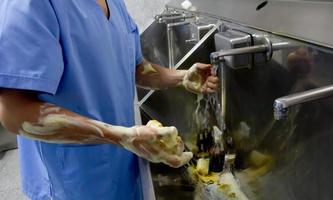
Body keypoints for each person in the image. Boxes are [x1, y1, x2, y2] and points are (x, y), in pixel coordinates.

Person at [0, 0, 219, 199]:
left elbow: (136, 67)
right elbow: (14, 113)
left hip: (120, 169)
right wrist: (120, 136)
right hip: (72, 183)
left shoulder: (114, 4)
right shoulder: (33, 5)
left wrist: (181, 77)